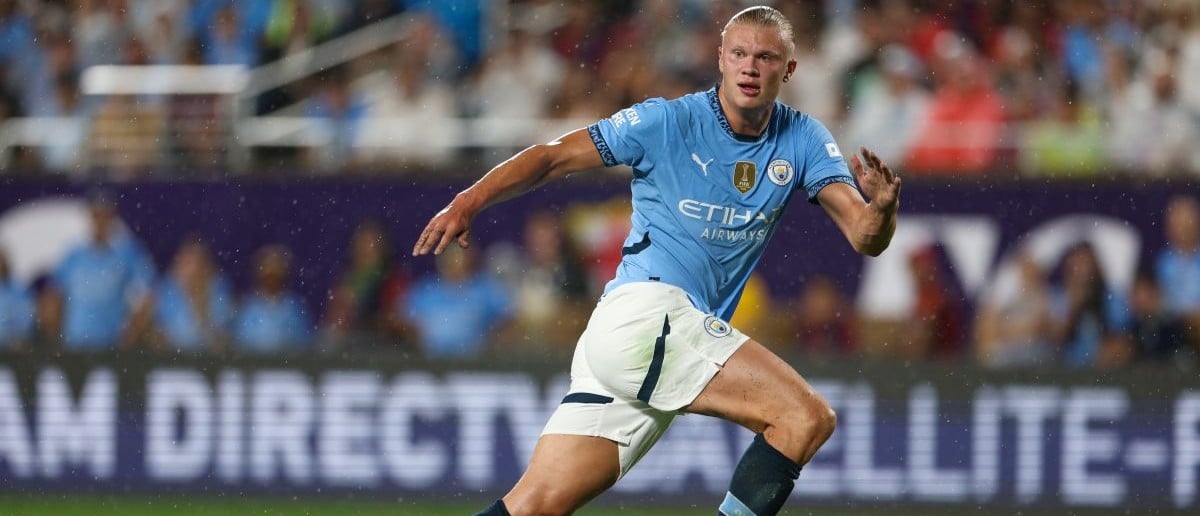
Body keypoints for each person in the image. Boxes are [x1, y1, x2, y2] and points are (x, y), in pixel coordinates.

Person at [412, 7, 901, 516]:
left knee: (532, 505)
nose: (750, 67)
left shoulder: (803, 139)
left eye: (765, 57)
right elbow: (553, 155)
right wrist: (468, 200)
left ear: (789, 69)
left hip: (638, 339)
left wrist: (882, 212)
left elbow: (865, 236)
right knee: (805, 418)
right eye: (738, 54)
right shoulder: (667, 121)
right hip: (647, 317)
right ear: (720, 59)